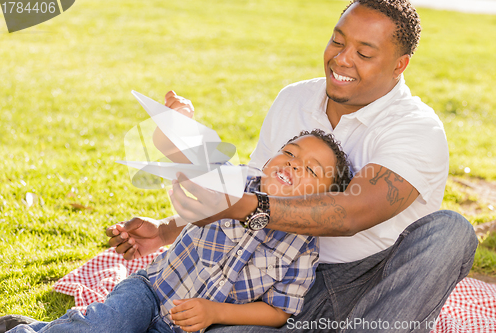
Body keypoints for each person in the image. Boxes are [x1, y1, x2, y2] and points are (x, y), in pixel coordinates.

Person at [110, 1, 478, 332]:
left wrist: (245, 208)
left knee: (452, 231)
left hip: (375, 282)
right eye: (337, 41)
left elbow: (349, 213)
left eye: (364, 53)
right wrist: (166, 231)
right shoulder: (294, 99)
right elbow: (251, 187)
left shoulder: (416, 128)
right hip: (277, 280)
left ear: (400, 65)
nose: (342, 59)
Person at [0, 130, 353, 333]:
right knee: (106, 326)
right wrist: (163, 229)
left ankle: (28, 326)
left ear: (322, 199)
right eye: (290, 151)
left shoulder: (303, 249)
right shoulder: (236, 179)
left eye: (311, 169)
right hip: (151, 292)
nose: (293, 162)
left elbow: (278, 311)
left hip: (188, 328)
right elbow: (195, 188)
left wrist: (216, 313)